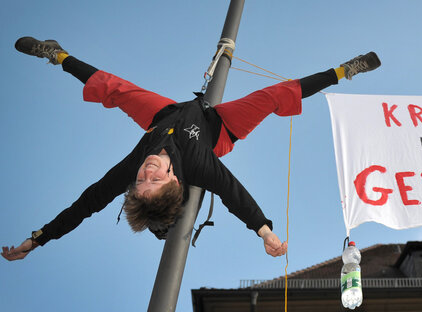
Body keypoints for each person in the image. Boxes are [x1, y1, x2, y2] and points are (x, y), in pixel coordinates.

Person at [1, 37, 381, 261]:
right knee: (273, 96)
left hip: (165, 115)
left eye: (141, 179)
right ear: (175, 183)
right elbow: (236, 196)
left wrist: (37, 239)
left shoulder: (134, 167)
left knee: (114, 88)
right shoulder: (200, 167)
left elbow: (88, 202)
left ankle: (58, 55)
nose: (147, 169)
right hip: (220, 129)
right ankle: (344, 71)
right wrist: (266, 232)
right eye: (155, 178)